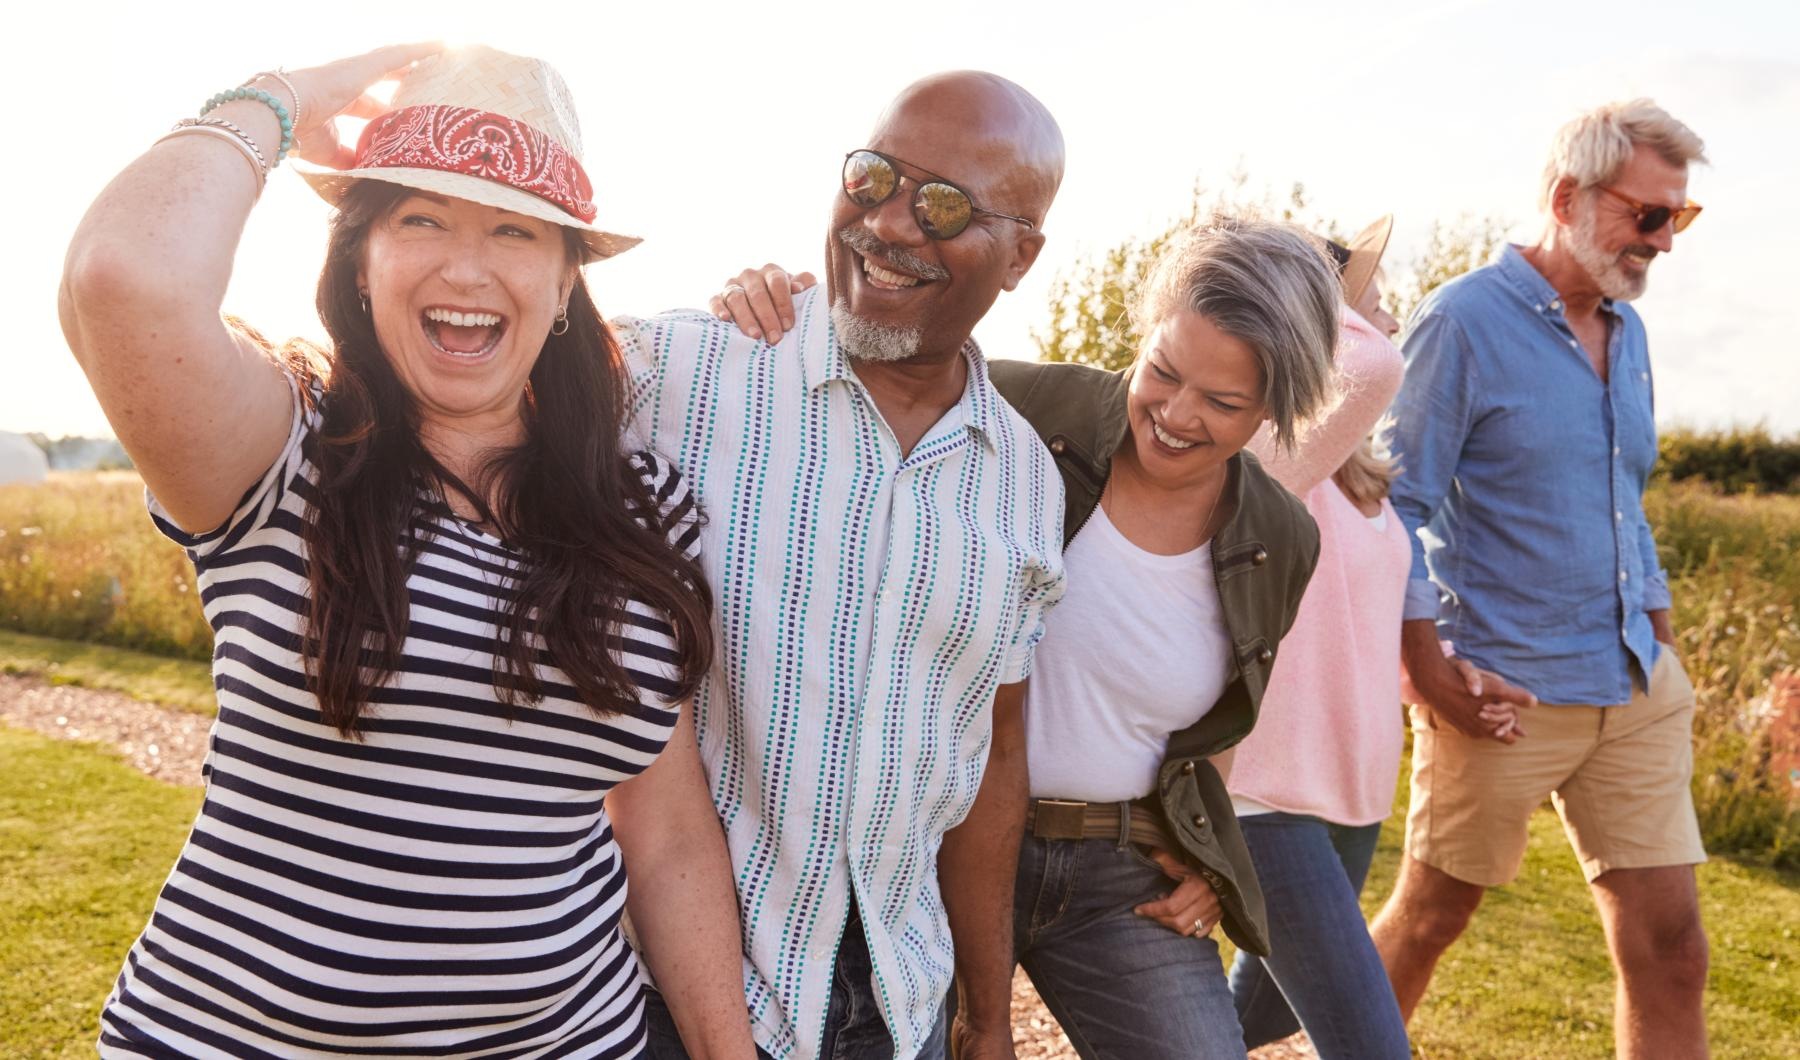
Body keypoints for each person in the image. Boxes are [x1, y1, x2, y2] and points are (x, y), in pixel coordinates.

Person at [61, 46, 753, 1058]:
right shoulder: (282, 450)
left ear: (565, 281)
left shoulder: (642, 510)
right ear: (361, 261)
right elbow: (126, 278)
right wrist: (287, 96)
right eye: (421, 218)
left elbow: (665, 827)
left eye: (514, 230)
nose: (466, 269)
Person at [717, 211, 1341, 1059]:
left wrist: (1205, 853)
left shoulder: (1281, 536)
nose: (1176, 414)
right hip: (932, 847)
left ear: (1276, 405)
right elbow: (856, 371)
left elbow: (1220, 720)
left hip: (1119, 874)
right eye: (1162, 371)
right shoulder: (1020, 408)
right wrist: (776, 303)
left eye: (1223, 403)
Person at [618, 72, 1069, 1060]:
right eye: (872, 178)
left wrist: (987, 1017)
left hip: (894, 1013)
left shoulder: (1027, 484)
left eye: (943, 205)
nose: (890, 223)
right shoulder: (674, 378)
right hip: (654, 1000)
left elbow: (993, 761)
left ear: (1021, 255)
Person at [1368, 99, 1711, 1060]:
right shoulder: (1461, 322)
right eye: (1649, 215)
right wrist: (1428, 671)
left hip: (1633, 685)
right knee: (1431, 919)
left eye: (1678, 217)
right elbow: (1394, 507)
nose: (1664, 242)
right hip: (1504, 690)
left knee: (1674, 949)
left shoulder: (1628, 333)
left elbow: (1624, 503)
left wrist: (1664, 645)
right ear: (1567, 199)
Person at [1223, 216, 1523, 1058]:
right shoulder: (1274, 456)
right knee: (1371, 1044)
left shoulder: (1364, 479)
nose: (1391, 322)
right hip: (1269, 792)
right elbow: (1370, 365)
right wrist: (1307, 289)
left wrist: (1447, 673)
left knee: (1257, 1018)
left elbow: (1357, 615)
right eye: (1374, 306)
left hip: (1352, 791)